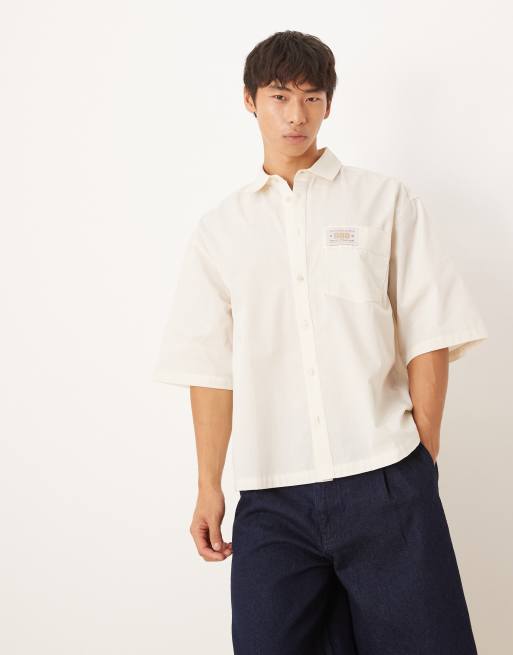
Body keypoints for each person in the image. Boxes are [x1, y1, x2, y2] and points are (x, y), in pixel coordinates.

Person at [153, 30, 488, 655]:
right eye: (280, 96)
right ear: (250, 101)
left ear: (329, 104)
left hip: (386, 476)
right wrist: (208, 485)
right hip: (272, 497)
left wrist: (421, 456)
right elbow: (210, 368)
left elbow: (431, 331)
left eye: (311, 97)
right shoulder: (221, 230)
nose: (296, 115)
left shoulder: (384, 201)